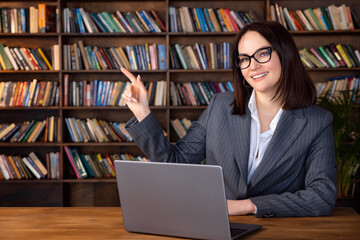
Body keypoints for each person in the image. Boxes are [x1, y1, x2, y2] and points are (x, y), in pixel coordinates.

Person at [120, 21, 337, 218]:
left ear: (285, 54)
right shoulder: (220, 107)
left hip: (280, 230)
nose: (253, 66)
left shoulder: (317, 121)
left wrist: (248, 205)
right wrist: (142, 113)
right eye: (244, 59)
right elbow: (175, 163)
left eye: (262, 54)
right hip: (219, 228)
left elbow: (321, 196)